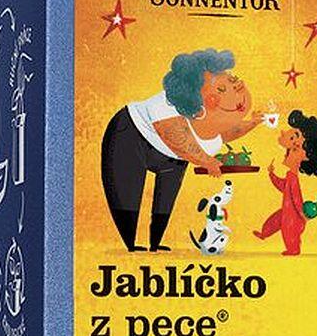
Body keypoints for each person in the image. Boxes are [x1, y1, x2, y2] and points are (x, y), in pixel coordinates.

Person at [100, 48, 261, 251]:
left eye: (232, 80)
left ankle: (155, 243)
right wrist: (207, 161)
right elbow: (178, 139)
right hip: (130, 135)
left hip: (173, 157)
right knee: (127, 193)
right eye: (221, 89)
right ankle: (130, 244)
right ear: (199, 103)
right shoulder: (166, 109)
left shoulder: (207, 116)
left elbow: (225, 133)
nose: (236, 86)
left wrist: (254, 122)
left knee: (167, 195)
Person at [253, 110, 317, 255]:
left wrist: (301, 214)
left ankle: (294, 249)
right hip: (287, 211)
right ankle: (264, 233)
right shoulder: (290, 176)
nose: (288, 153)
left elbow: (296, 197)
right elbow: (283, 187)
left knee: (289, 231)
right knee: (275, 220)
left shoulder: (293, 178)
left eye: (294, 149)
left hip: (294, 216)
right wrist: (272, 175)